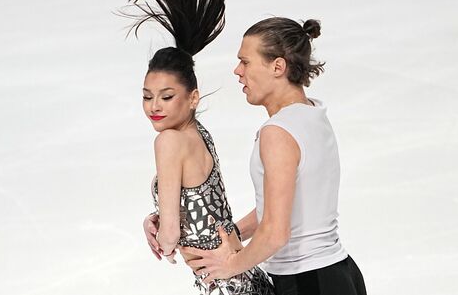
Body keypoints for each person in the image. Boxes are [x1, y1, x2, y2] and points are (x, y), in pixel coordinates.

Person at [144, 17, 368, 295]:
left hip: (308, 281)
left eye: (245, 61)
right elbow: (281, 208)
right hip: (338, 274)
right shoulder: (311, 113)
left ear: (277, 67)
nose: (238, 71)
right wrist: (226, 235)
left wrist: (229, 265)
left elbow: (275, 233)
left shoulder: (278, 133)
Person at [127, 0, 275, 295]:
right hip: (248, 276)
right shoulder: (198, 134)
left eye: (167, 96)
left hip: (224, 283)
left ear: (193, 97)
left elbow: (169, 239)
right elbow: (197, 207)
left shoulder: (168, 141)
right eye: (147, 97)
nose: (155, 106)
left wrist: (158, 231)